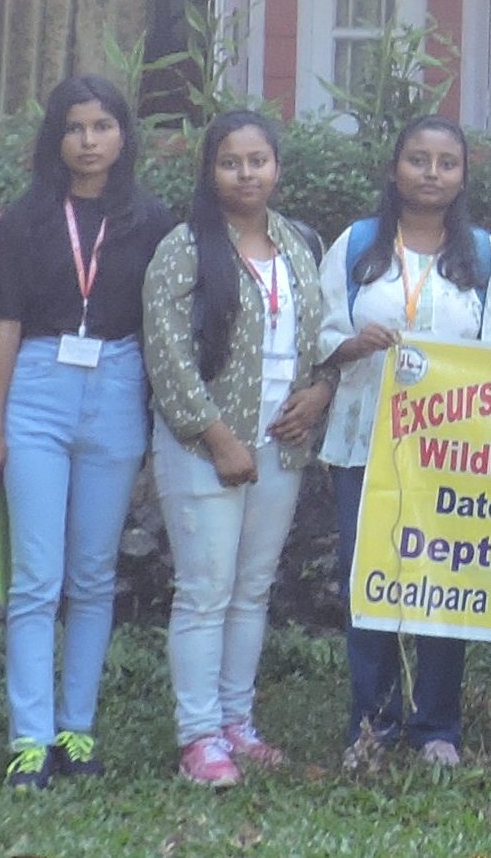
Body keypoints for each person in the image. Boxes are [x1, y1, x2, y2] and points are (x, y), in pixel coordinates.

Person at [0, 75, 172, 787]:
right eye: (74, 128)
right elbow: (4, 322)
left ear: (123, 135)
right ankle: (30, 738)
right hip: (37, 385)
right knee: (37, 576)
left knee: (92, 575)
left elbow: (162, 330)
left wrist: (156, 427)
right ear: (55, 138)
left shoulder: (151, 220)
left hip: (118, 382)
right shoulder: (25, 218)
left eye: (102, 126)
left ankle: (76, 730)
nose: (89, 141)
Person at [320, 116, 491, 769]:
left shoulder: (485, 256)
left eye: (446, 163)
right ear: (393, 168)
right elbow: (318, 332)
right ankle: (371, 724)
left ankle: (437, 724)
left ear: (463, 176)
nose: (431, 173)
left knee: (445, 580)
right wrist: (351, 344)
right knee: (369, 580)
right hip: (366, 441)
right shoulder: (357, 246)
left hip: (454, 451)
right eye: (417, 159)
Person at [142, 112, 336, 787]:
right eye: (230, 162)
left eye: (258, 161)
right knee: (204, 591)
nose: (246, 174)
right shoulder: (184, 247)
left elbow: (319, 336)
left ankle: (236, 724)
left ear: (277, 168)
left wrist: (319, 392)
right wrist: (217, 436)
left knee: (252, 591)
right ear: (209, 170)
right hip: (204, 446)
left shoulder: (298, 242)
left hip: (281, 444)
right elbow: (167, 355)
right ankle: (198, 736)